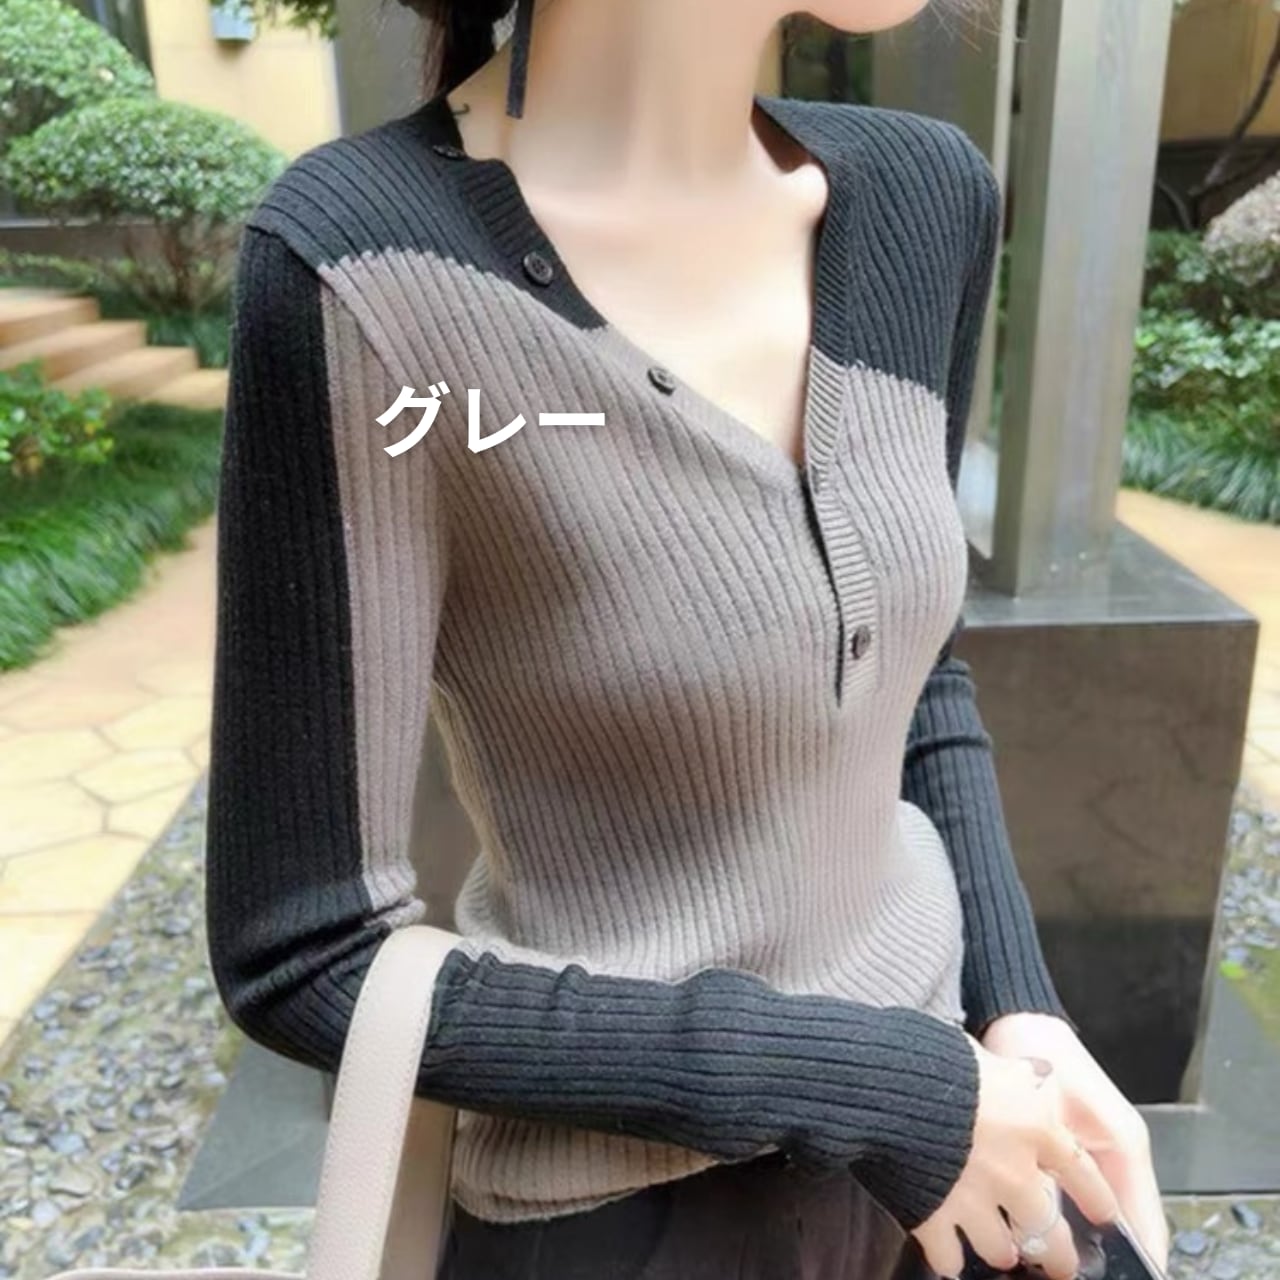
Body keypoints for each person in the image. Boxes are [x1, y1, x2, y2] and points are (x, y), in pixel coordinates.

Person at [204, 0, 1171, 1276]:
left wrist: (1020, 1010)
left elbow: (907, 669)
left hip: (965, 1130)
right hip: (628, 1209)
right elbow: (307, 952)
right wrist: (875, 1090)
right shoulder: (362, 273)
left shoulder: (922, 196)